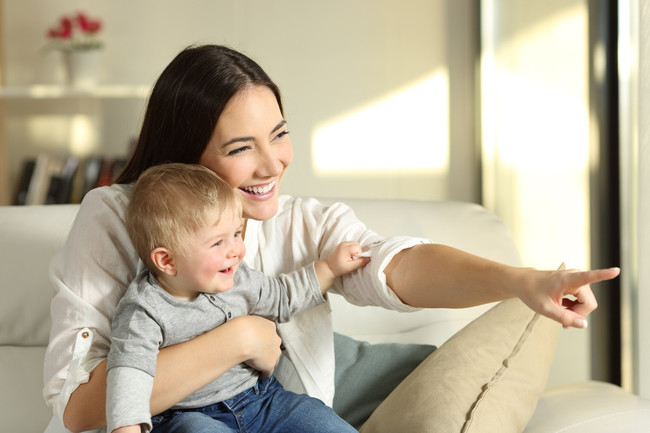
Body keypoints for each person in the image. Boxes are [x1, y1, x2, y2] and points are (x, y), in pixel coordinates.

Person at [44, 44, 620, 433]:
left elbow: (398, 266)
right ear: (183, 160)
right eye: (241, 148)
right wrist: (240, 338)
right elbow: (79, 408)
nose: (273, 163)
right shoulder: (116, 218)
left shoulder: (300, 221)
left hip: (272, 405)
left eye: (279, 135)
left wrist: (520, 281)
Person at [107, 163, 365, 433]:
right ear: (167, 261)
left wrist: (329, 269)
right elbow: (129, 376)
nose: (236, 250)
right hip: (185, 415)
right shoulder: (144, 310)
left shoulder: (240, 278)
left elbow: (282, 296)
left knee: (316, 417)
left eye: (236, 233)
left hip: (261, 400)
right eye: (218, 242)